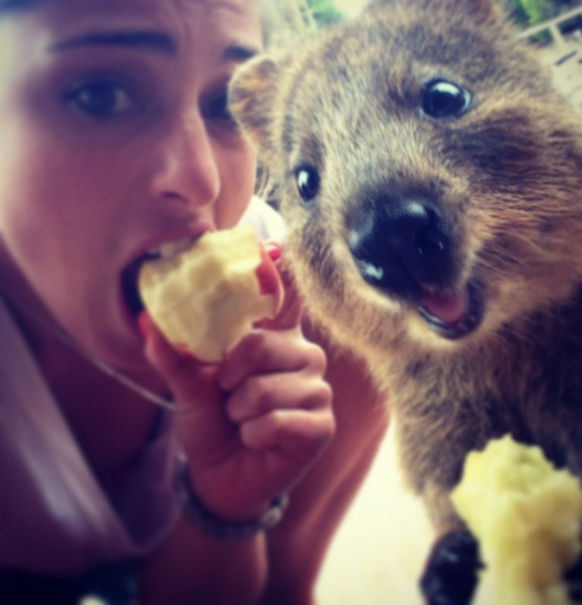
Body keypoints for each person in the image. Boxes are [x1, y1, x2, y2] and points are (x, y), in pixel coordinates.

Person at [0, 0, 389, 603]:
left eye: (226, 106)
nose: (201, 178)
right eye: (101, 95)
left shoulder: (316, 318)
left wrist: (228, 504)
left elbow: (281, 595)